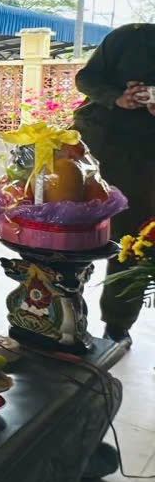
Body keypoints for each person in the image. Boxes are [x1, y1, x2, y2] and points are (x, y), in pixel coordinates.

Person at [73, 23, 155, 344]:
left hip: (145, 161)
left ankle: (117, 325)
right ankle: (64, 307)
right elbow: (85, 78)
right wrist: (117, 97)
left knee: (132, 243)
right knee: (74, 233)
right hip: (96, 148)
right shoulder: (129, 36)